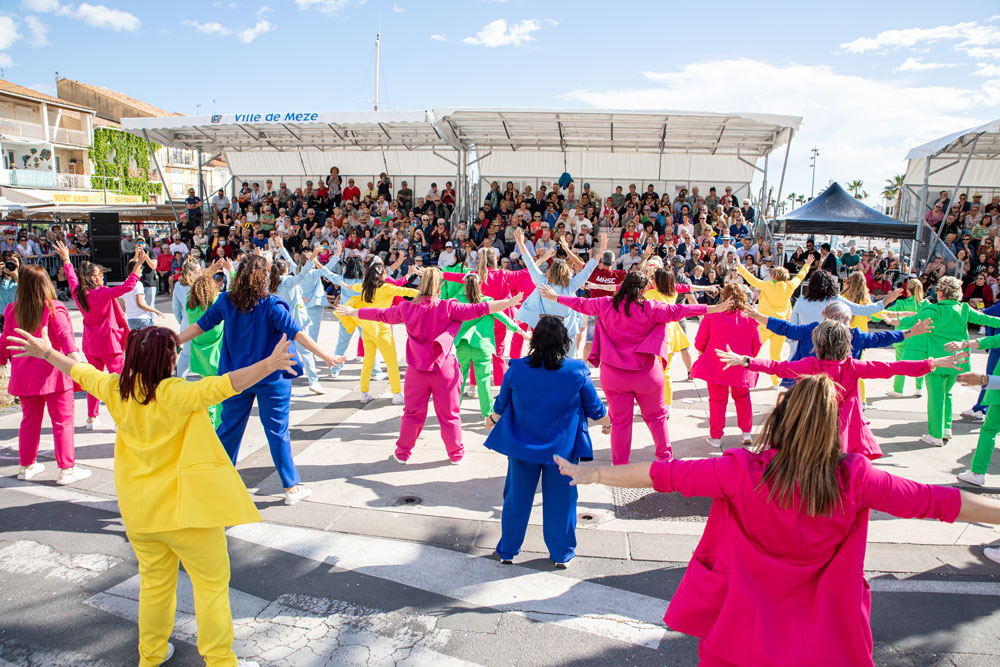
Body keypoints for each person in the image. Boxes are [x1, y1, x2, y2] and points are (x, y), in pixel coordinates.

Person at [554, 373, 1000, 667]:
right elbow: (941, 502)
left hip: (739, 629)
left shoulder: (740, 471)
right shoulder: (855, 479)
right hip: (824, 634)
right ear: (835, 428)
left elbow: (661, 475)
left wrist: (594, 474)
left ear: (780, 420)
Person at [8, 325, 276, 667]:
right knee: (211, 587)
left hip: (140, 515)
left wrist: (46, 352)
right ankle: (220, 661)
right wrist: (270, 363)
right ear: (169, 359)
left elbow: (80, 371)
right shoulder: (175, 393)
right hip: (188, 514)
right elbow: (226, 384)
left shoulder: (117, 389)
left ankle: (150, 657)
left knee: (154, 586)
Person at [177, 254, 343, 505]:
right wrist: (327, 356)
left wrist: (172, 341)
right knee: (277, 432)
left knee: (228, 429)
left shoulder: (226, 301)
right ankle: (291, 488)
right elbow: (297, 333)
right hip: (271, 378)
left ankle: (218, 483)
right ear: (263, 276)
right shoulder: (271, 305)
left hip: (237, 378)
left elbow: (200, 326)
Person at [336, 268, 523, 464]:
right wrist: (509, 303)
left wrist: (355, 312)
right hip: (445, 371)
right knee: (450, 416)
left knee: (411, 414)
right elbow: (482, 308)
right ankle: (456, 453)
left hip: (416, 371)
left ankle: (403, 453)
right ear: (440, 286)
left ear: (420, 285)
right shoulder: (449, 307)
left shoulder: (407, 308)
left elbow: (381, 314)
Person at [538, 276, 727, 465]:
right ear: (642, 290)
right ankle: (665, 461)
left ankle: (620, 466)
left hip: (614, 376)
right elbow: (681, 310)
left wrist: (555, 297)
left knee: (620, 422)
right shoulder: (651, 308)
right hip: (647, 375)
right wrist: (715, 308)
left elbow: (580, 303)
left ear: (623, 286)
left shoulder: (606, 304)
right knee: (657, 418)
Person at [719, 320, 962, 459]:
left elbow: (778, 367)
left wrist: (746, 361)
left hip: (812, 427)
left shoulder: (810, 365)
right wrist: (931, 363)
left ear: (817, 343)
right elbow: (893, 368)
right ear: (847, 344)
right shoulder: (854, 367)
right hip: (845, 432)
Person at [483, 316, 610, 567]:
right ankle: (561, 554)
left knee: (516, 499)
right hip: (562, 449)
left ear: (535, 340)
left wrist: (492, 419)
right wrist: (608, 423)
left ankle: (508, 550)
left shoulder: (517, 368)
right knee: (561, 502)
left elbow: (501, 404)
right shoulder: (576, 370)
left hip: (522, 446)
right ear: (564, 341)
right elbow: (595, 408)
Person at [0, 264, 89, 485]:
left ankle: (26, 465)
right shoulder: (54, 307)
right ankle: (66, 469)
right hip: (54, 374)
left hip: (24, 376)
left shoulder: (12, 309)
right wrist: (78, 365)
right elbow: (66, 336)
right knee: (62, 422)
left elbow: (5, 342)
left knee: (29, 421)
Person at [58, 240, 145, 430]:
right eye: (100, 274)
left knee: (93, 382)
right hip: (110, 343)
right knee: (119, 382)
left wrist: (66, 259)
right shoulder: (101, 293)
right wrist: (137, 267)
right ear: (92, 277)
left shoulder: (78, 293)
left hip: (91, 344)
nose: (102, 276)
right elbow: (126, 287)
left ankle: (91, 417)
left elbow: (72, 278)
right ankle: (120, 419)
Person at [914, 276, 1000, 447]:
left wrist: (892, 317)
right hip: (958, 360)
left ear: (941, 292)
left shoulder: (934, 309)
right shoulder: (964, 309)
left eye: (938, 289)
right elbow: (987, 319)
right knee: (947, 394)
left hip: (937, 361)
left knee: (936, 398)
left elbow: (912, 320)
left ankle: (935, 435)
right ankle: (946, 428)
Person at [691, 284, 761, 447]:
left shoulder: (713, 315)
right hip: (741, 363)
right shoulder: (749, 318)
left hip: (717, 363)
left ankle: (716, 437)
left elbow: (699, 342)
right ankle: (746, 432)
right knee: (743, 398)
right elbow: (757, 345)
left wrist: (702, 351)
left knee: (717, 401)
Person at [511, 228, 601, 351]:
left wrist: (521, 243)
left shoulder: (543, 281)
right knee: (568, 356)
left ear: (551, 270)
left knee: (543, 355)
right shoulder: (571, 285)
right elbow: (587, 271)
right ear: (567, 272)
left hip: (545, 328)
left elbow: (530, 264)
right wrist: (601, 251)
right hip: (566, 329)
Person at [345, 261, 418, 404]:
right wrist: (425, 293)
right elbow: (405, 291)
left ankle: (364, 393)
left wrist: (346, 285)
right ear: (383, 275)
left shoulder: (365, 287)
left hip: (367, 329)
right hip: (382, 329)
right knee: (391, 363)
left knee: (368, 362)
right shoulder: (385, 288)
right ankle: (396, 394)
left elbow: (353, 286)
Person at [454, 273, 525, 417]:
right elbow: (504, 318)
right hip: (482, 346)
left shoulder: (457, 301)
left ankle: (453, 411)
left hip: (462, 345)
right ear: (480, 285)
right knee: (484, 381)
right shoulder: (487, 302)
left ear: (464, 286)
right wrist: (522, 332)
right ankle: (487, 415)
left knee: (458, 381)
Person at [736, 254, 812, 385]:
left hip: (764, 324)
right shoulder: (789, 286)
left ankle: (743, 376)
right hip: (781, 325)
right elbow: (800, 277)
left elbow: (753, 280)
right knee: (776, 355)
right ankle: (776, 382)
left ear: (774, 276)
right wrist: (807, 265)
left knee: (753, 351)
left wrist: (740, 267)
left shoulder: (769, 285)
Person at [185, 274, 226, 427]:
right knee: (221, 397)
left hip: (201, 360)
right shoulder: (215, 306)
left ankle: (209, 424)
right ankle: (218, 427)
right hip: (218, 358)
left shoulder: (190, 307)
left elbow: (190, 294)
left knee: (209, 396)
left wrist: (205, 275)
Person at [884, 278, 929, 398]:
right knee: (920, 363)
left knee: (900, 363)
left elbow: (886, 313)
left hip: (903, 338)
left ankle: (898, 390)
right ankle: (919, 388)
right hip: (921, 339)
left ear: (908, 291)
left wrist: (870, 316)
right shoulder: (927, 305)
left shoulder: (901, 304)